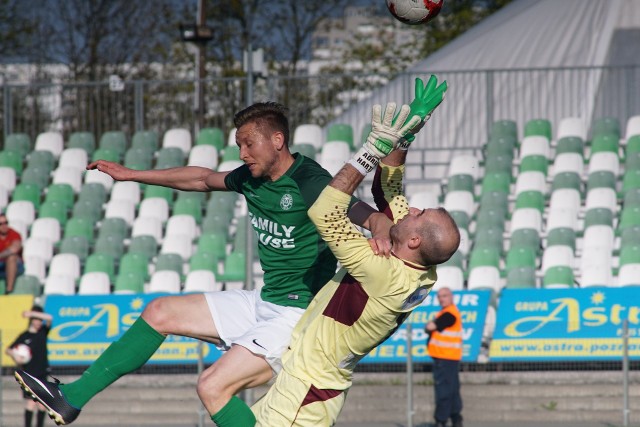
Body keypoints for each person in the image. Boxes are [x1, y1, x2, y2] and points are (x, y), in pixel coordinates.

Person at [15, 101, 391, 427]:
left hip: (297, 319)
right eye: (239, 145)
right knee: (160, 311)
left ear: (277, 140)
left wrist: (378, 227)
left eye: (248, 143)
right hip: (265, 301)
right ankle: (71, 398)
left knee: (212, 386)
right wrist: (132, 175)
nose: (242, 152)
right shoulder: (252, 178)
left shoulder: (309, 180)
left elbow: (356, 209)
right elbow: (201, 178)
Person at [252, 77, 460, 426]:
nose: (411, 209)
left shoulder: (382, 272)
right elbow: (388, 187)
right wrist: (408, 132)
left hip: (309, 391)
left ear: (414, 242)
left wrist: (372, 148)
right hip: (306, 381)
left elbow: (324, 211)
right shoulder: (417, 263)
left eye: (419, 214)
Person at [6, 306, 53, 427]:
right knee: (30, 404)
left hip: (42, 373)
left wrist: (31, 313)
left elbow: (49, 318)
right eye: (36, 319)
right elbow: (8, 349)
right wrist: (15, 356)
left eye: (39, 319)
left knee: (42, 405)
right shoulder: (24, 336)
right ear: (32, 320)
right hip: (29, 375)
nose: (38, 322)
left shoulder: (43, 331)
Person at [426, 286, 464, 427]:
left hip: (445, 358)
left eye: (445, 296)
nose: (441, 299)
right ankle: (456, 419)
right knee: (452, 390)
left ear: (451, 297)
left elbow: (430, 327)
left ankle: (440, 420)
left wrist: (428, 326)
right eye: (439, 296)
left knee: (444, 390)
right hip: (450, 358)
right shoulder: (449, 312)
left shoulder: (449, 314)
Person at [0, 213, 24, 294]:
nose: (4, 226)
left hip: (16, 266)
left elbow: (14, 248)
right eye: (1, 224)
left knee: (11, 257)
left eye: (6, 223)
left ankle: (9, 290)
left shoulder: (14, 234)